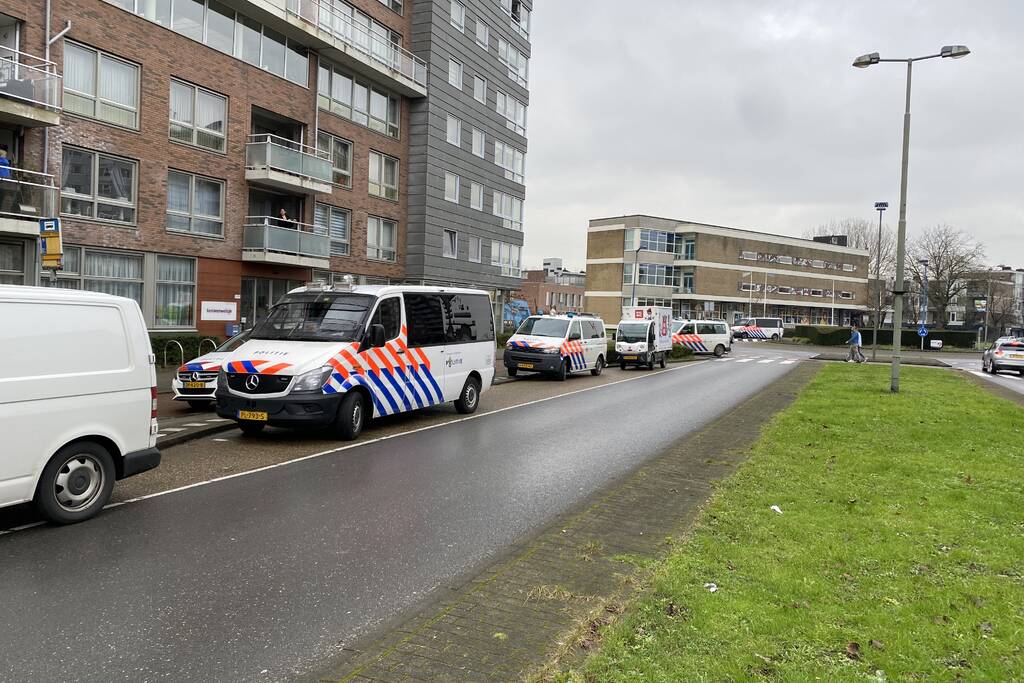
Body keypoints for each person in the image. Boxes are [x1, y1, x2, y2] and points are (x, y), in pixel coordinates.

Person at [0, 146, 12, 214]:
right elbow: (8, 174)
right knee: (1, 198)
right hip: (5, 184)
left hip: (1, 182)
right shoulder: (6, 164)